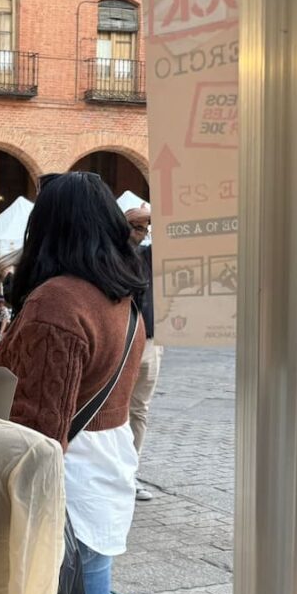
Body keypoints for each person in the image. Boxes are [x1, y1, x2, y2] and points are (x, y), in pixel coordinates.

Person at [0, 172, 146, 594]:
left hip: (61, 491)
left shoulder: (58, 302)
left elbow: (39, 433)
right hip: (103, 479)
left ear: (49, 227)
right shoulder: (122, 299)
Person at [127, 203, 160, 502]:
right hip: (122, 341)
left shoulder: (150, 257)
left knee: (139, 409)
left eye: (144, 227)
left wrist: (159, 217)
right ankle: (118, 471)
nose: (142, 231)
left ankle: (130, 473)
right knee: (114, 408)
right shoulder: (118, 254)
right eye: (136, 227)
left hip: (151, 341)